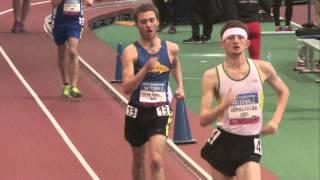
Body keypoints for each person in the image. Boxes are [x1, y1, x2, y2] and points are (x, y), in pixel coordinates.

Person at [199, 20, 289, 180]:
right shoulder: (211, 76)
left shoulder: (263, 68)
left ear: (247, 43)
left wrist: (275, 120)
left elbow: (283, 91)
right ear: (222, 44)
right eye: (230, 37)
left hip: (249, 142)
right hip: (224, 140)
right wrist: (223, 106)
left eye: (240, 37)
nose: (235, 41)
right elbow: (204, 120)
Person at [121, 4, 184, 180]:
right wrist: (144, 70)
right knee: (139, 159)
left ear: (157, 22)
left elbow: (176, 64)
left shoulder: (171, 48)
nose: (148, 25)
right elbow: (126, 88)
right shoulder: (130, 52)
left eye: (151, 20)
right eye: (143, 22)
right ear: (137, 24)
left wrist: (180, 86)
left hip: (160, 111)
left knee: (156, 159)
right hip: (136, 111)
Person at [51, 0, 93, 98]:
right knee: (61, 51)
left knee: (73, 51)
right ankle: (65, 84)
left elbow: (89, 1)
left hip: (75, 22)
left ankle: (74, 86)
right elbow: (53, 3)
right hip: (59, 21)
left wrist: (89, 1)